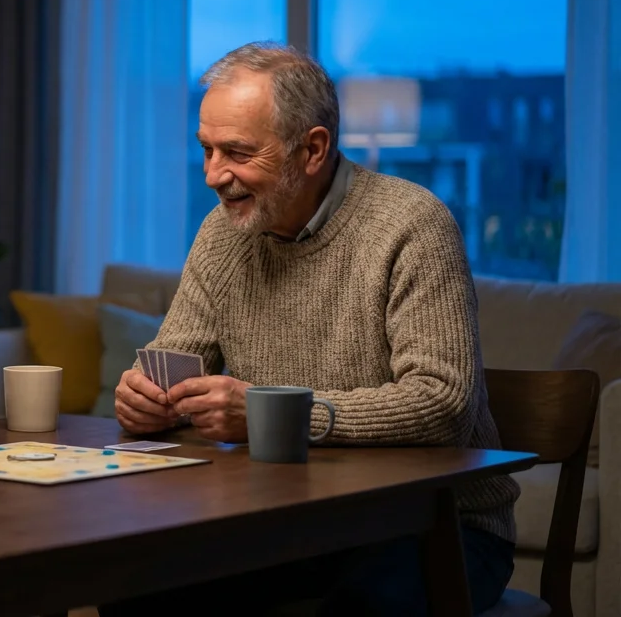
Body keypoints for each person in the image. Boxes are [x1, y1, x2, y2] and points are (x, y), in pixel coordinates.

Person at [108, 42, 520, 616]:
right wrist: (146, 399)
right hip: (283, 524)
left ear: (313, 149)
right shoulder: (222, 235)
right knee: (133, 592)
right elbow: (172, 362)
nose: (212, 175)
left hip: (435, 527)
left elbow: (443, 403)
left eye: (237, 152)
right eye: (206, 150)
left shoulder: (411, 224)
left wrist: (271, 411)